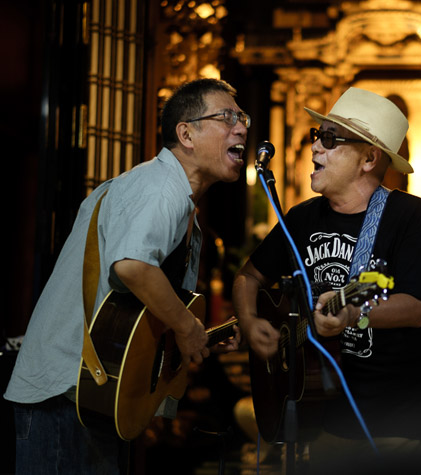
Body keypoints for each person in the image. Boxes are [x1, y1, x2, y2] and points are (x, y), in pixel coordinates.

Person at [4, 78, 245, 474]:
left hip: (91, 396)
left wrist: (196, 335)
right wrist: (186, 327)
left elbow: (133, 310)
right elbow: (131, 266)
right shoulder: (160, 188)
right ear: (186, 133)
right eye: (226, 117)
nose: (241, 128)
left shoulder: (170, 192)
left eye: (242, 118)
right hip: (65, 396)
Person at [232, 87, 421, 472]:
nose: (315, 149)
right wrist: (251, 322)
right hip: (319, 412)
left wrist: (348, 316)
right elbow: (248, 277)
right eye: (317, 137)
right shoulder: (302, 218)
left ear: (368, 158)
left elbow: (415, 308)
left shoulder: (408, 216)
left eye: (329, 139)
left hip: (394, 420)